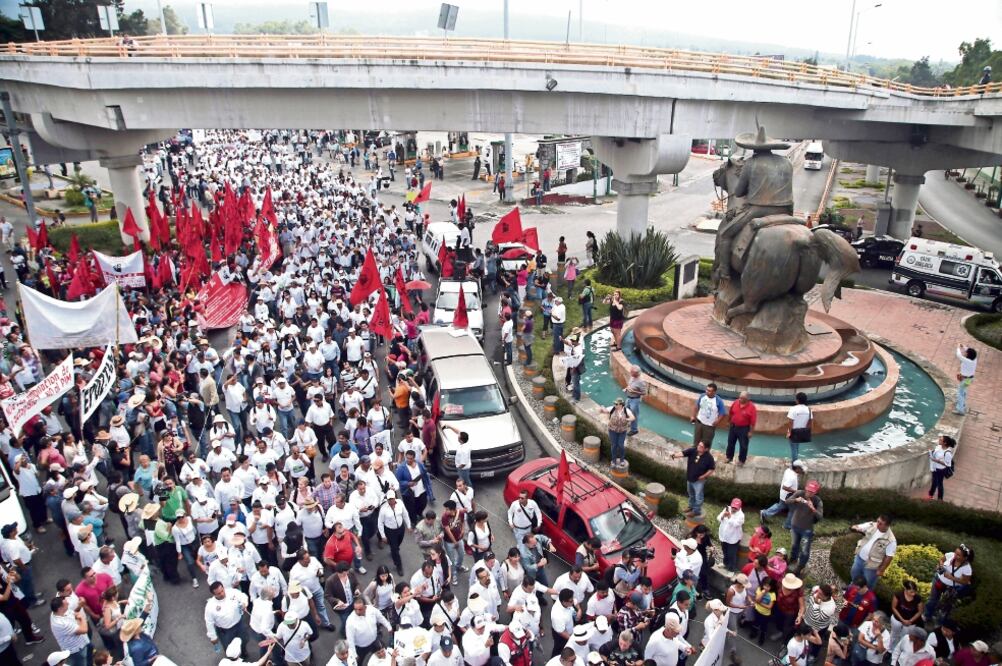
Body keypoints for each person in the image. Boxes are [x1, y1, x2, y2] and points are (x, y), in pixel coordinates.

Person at [923, 544, 973, 622]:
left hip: (951, 587)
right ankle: (927, 616)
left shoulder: (967, 568)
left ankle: (941, 622)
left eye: (958, 555)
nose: (955, 555)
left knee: (947, 605)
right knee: (933, 599)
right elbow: (941, 559)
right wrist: (940, 565)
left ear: (965, 558)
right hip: (938, 580)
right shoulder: (951, 555)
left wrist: (951, 577)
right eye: (955, 552)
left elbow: (965, 581)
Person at [784, 479, 822, 574]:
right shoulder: (799, 493)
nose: (809, 493)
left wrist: (813, 508)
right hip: (794, 525)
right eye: (808, 490)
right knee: (794, 545)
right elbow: (787, 501)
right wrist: (795, 500)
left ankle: (801, 565)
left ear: (815, 492)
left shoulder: (818, 501)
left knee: (805, 549)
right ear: (805, 488)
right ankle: (793, 559)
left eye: (812, 492)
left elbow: (820, 517)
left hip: (807, 529)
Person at [850, 515, 897, 589]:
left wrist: (881, 570)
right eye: (877, 521)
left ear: (887, 526)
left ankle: (863, 595)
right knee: (854, 576)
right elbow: (856, 527)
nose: (877, 524)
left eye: (880, 523)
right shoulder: (871, 525)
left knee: (867, 584)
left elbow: (889, 557)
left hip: (872, 567)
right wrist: (855, 528)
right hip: (859, 559)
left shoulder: (891, 540)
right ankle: (852, 590)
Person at [670, 441, 715, 518]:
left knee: (698, 497)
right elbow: (683, 453)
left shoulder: (709, 458)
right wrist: (674, 455)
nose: (698, 447)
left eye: (701, 446)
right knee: (691, 494)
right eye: (699, 445)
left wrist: (704, 476)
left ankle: (696, 511)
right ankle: (691, 507)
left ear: (706, 449)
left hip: (699, 481)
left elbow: (711, 469)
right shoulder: (693, 451)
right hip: (690, 478)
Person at [760, 459, 804, 529]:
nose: (802, 470)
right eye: (801, 468)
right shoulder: (792, 477)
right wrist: (795, 491)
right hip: (789, 496)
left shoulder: (788, 470)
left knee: (780, 506)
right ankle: (787, 525)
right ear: (797, 468)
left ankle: (764, 513)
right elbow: (785, 487)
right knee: (793, 510)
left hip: (784, 494)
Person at [889, 580, 924, 656]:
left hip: (911, 622)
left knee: (905, 637)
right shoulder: (898, 595)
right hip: (897, 619)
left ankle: (899, 651)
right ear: (905, 589)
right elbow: (894, 607)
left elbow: (920, 611)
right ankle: (890, 650)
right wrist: (902, 619)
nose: (913, 594)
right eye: (911, 592)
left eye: (914, 592)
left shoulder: (918, 598)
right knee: (894, 635)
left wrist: (910, 620)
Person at [726, 391, 757, 464]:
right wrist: (728, 422)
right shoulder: (735, 402)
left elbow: (753, 421)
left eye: (742, 398)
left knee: (743, 445)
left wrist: (751, 432)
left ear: (747, 399)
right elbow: (731, 413)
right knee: (730, 443)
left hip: (744, 429)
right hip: (733, 426)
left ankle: (741, 460)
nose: (740, 399)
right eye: (739, 397)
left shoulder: (752, 407)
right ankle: (729, 457)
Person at [605, 398, 635, 469]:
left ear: (621, 405)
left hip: (622, 431)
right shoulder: (612, 408)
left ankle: (622, 460)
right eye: (614, 403)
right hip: (612, 430)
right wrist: (603, 411)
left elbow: (633, 418)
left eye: (616, 404)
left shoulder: (626, 410)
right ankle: (613, 461)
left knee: (621, 445)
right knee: (614, 445)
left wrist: (626, 419)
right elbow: (605, 411)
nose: (614, 405)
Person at [717, 499, 745, 572]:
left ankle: (731, 568)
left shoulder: (741, 515)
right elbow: (718, 518)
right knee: (725, 551)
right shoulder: (727, 509)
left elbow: (736, 524)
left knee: (731, 554)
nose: (733, 509)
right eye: (733, 507)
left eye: (736, 508)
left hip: (733, 538)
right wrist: (723, 515)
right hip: (724, 536)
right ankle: (725, 563)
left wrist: (729, 517)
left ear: (739, 507)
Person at [927, 435, 956, 500]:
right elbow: (936, 452)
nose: (939, 440)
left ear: (945, 443)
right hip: (935, 468)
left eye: (941, 440)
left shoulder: (947, 453)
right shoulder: (939, 446)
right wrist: (931, 453)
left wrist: (937, 461)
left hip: (940, 470)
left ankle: (939, 499)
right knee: (934, 483)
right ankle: (931, 495)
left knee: (939, 484)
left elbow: (948, 464)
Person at [786, 392, 812, 461]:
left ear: (797, 400)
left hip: (794, 431)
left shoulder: (793, 409)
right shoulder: (809, 409)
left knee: (793, 448)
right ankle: (796, 461)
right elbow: (810, 421)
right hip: (803, 431)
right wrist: (807, 430)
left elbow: (790, 422)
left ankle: (795, 463)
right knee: (796, 446)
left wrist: (789, 432)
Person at [954, 344, 977, 415]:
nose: (965, 353)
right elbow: (971, 351)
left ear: (968, 355)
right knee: (964, 391)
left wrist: (958, 347)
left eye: (966, 352)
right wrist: (963, 347)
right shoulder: (974, 359)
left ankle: (960, 410)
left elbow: (958, 355)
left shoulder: (967, 361)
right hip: (969, 379)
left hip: (964, 379)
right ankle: (963, 404)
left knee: (960, 393)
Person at [623, 366, 646, 436]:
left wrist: (634, 391)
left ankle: (634, 430)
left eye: (631, 372)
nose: (630, 372)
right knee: (626, 411)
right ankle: (628, 423)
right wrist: (626, 389)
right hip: (629, 398)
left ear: (636, 373)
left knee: (634, 415)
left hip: (635, 400)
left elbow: (644, 393)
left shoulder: (641, 382)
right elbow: (630, 385)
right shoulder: (632, 377)